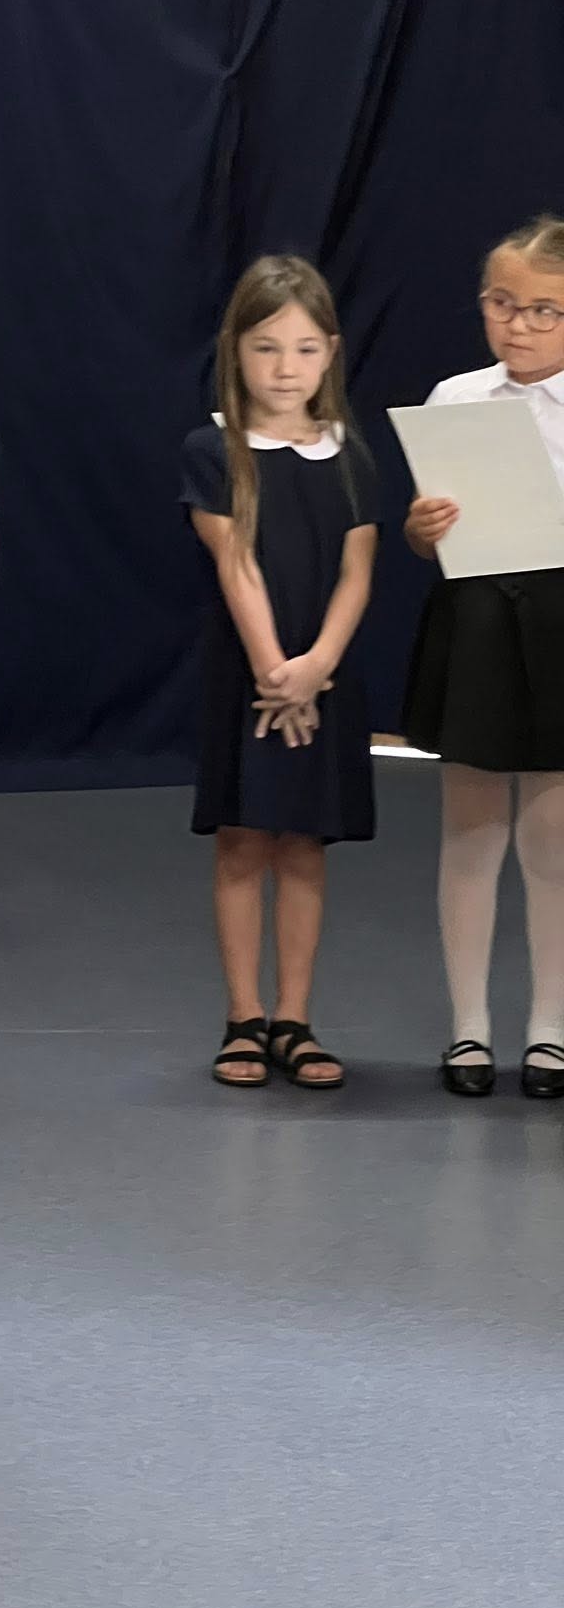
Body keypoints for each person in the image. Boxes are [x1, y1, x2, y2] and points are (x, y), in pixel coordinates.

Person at [181, 257, 378, 1093]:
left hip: (321, 681)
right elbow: (237, 564)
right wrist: (274, 672)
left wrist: (317, 666)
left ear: (330, 352)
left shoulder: (349, 456)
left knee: (303, 844)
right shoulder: (213, 449)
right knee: (243, 840)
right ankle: (244, 1016)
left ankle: (295, 1018)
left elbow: (357, 571)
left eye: (303, 349)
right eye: (266, 348)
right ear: (237, 350)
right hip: (251, 680)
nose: (285, 369)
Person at [403, 218, 564, 1100]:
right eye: (502, 304)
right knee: (470, 833)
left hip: (560, 626)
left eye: (544, 310)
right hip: (476, 622)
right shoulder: (456, 396)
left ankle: (550, 1030)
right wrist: (422, 529)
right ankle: (468, 1029)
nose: (519, 325)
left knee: (553, 842)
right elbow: (427, 541)